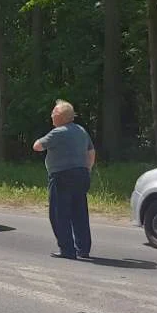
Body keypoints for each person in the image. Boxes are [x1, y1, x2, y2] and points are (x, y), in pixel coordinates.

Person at [33, 100, 96, 259]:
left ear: (61, 117)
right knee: (79, 213)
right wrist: (87, 169)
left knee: (59, 214)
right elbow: (91, 152)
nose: (51, 116)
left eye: (54, 113)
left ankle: (67, 250)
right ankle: (83, 249)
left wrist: (40, 140)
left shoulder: (58, 132)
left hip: (62, 176)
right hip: (81, 175)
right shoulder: (81, 131)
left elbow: (37, 146)